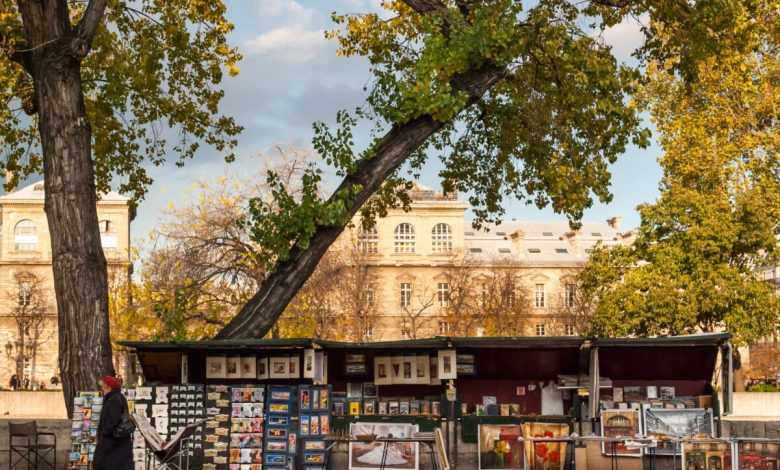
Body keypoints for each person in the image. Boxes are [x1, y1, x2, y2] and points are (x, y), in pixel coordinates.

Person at [93, 376, 133, 470]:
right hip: (119, 441)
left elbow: (113, 420)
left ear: (109, 387)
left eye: (103, 386)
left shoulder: (113, 399)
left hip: (112, 442)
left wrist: (104, 433)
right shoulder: (119, 397)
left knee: (103, 464)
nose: (102, 389)